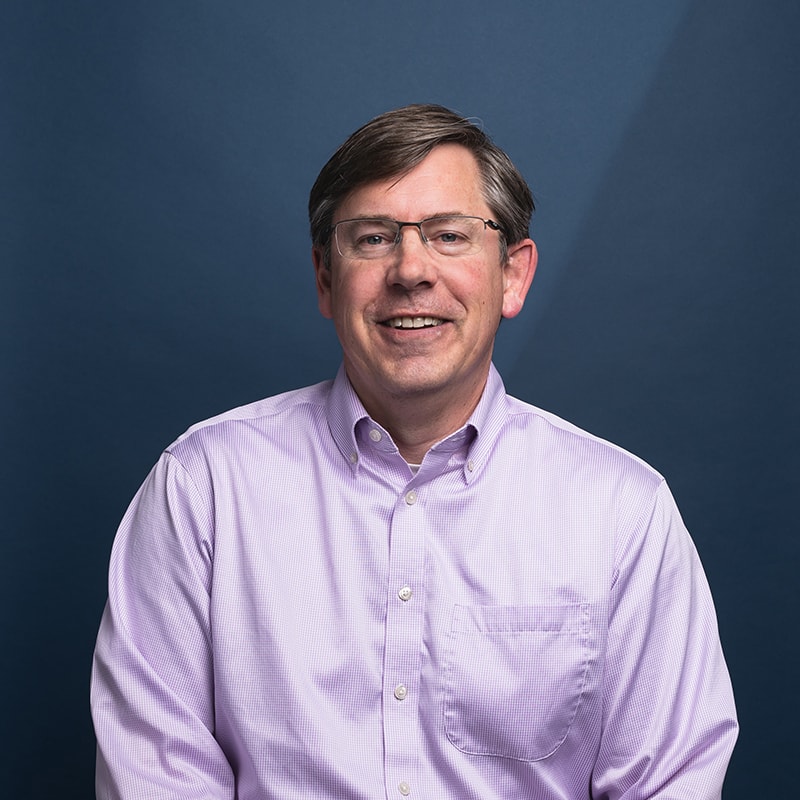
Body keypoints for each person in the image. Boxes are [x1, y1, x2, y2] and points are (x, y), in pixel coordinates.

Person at [91, 104, 737, 799]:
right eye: (372, 239)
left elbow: (668, 783)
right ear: (324, 278)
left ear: (512, 275)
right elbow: (157, 777)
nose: (410, 271)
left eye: (449, 236)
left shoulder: (620, 512)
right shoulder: (204, 489)